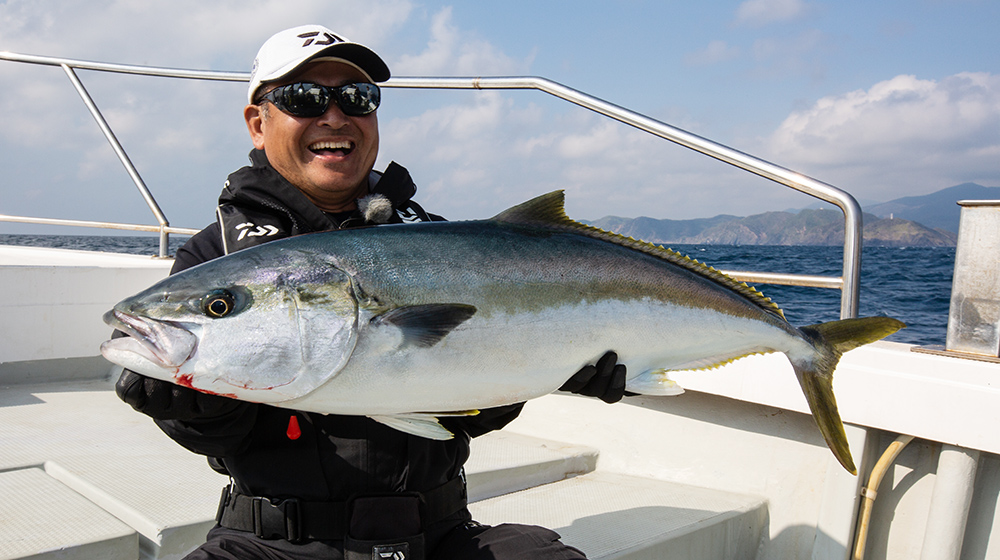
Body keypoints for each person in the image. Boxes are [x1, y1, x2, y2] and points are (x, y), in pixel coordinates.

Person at [115, 24, 627, 560]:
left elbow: (474, 412)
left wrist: (554, 366)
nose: (334, 116)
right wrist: (190, 410)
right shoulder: (217, 259)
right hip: (272, 544)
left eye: (357, 98)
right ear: (257, 123)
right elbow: (222, 440)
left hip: (441, 534)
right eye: (304, 97)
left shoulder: (442, 244)